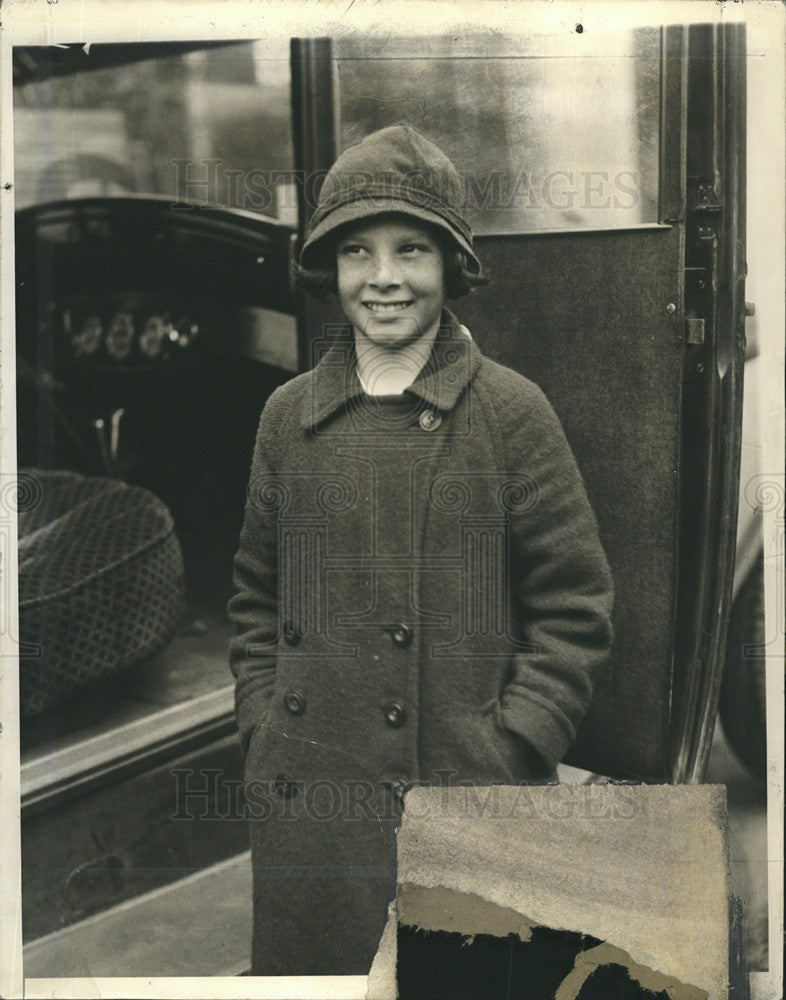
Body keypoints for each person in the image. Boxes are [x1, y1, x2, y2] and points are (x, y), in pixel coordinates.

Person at [228, 125, 614, 976]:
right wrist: (263, 727)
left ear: (452, 265)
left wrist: (513, 745)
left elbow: (574, 608)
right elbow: (257, 597)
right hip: (312, 808)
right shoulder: (285, 416)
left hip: (462, 794)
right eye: (357, 251)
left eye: (412, 250)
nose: (385, 278)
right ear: (330, 269)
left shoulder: (511, 413)